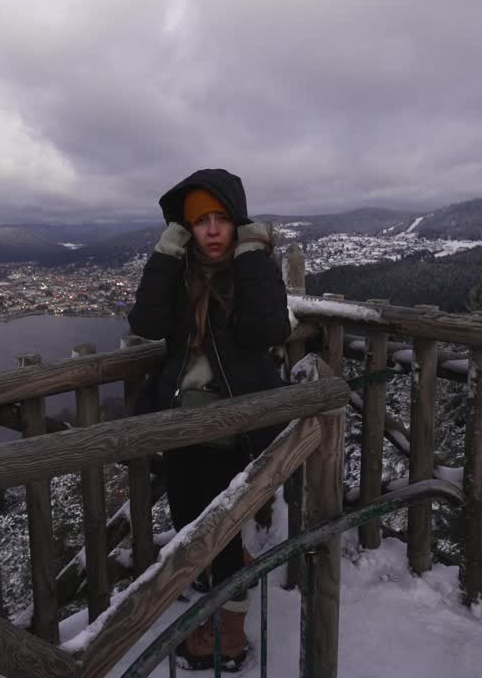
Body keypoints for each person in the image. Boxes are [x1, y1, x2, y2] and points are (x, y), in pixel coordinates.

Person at [128, 167, 291, 670]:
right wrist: (166, 251)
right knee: (188, 523)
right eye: (201, 221)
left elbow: (267, 330)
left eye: (223, 219)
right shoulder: (179, 273)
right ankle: (227, 581)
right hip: (181, 420)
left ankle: (229, 637)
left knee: (211, 532)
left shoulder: (252, 269)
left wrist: (251, 256)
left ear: (237, 224)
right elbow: (147, 323)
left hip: (234, 421)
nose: (213, 230)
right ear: (188, 228)